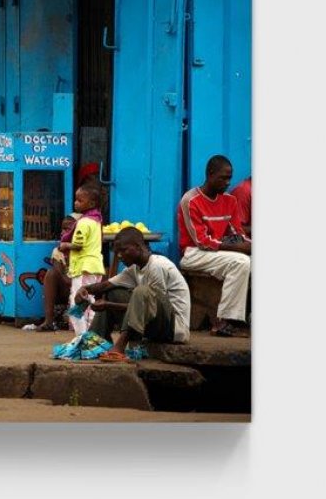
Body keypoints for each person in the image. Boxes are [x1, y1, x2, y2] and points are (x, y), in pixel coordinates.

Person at [75, 227, 192, 362]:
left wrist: (108, 305)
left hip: (174, 329)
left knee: (141, 292)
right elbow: (106, 285)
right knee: (112, 292)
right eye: (117, 252)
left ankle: (120, 346)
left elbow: (150, 307)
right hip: (155, 325)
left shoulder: (158, 265)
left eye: (123, 250)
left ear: (138, 247)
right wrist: (84, 290)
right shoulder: (134, 269)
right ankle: (95, 342)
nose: (119, 255)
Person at [178, 155, 251, 337]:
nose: (227, 183)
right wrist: (238, 247)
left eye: (229, 178)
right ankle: (225, 321)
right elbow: (201, 241)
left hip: (217, 252)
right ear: (210, 175)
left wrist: (248, 244)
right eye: (223, 178)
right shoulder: (191, 200)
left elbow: (238, 234)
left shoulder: (229, 201)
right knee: (241, 261)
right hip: (193, 253)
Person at [23, 211, 82, 332]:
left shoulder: (85, 251)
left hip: (83, 289)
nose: (62, 233)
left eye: (67, 229)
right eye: (62, 229)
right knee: (50, 274)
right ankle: (48, 321)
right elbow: (61, 275)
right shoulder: (58, 251)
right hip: (67, 288)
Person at [61, 186, 107, 335]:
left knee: (78, 303)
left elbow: (78, 245)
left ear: (92, 203)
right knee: (90, 302)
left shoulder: (83, 222)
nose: (76, 203)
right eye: (76, 199)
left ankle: (81, 337)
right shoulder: (97, 220)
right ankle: (93, 334)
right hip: (95, 266)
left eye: (80, 200)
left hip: (83, 267)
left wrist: (65, 245)